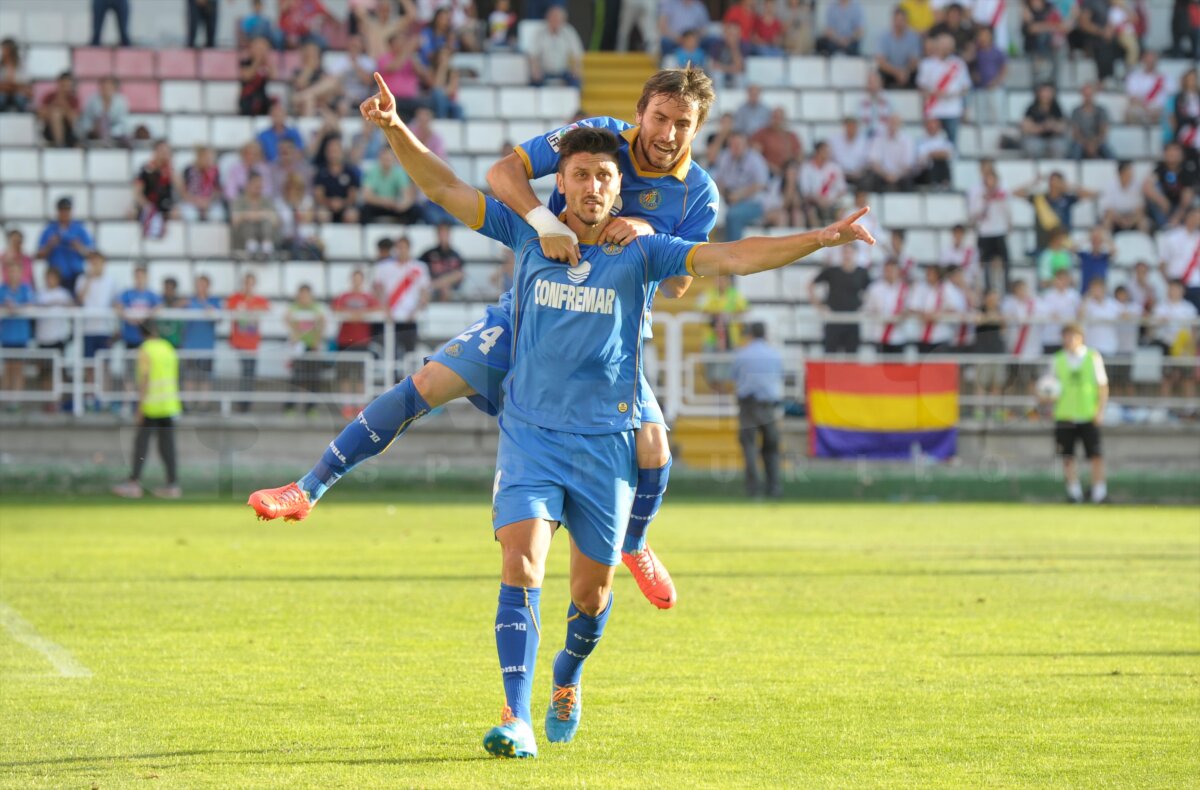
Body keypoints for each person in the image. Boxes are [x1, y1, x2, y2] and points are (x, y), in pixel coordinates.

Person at [324, 86, 872, 758]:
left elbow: (729, 258)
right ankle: (515, 716)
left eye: (682, 123)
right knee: (519, 559)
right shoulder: (541, 214)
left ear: (623, 187)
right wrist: (396, 128)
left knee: (596, 582)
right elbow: (456, 187)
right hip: (534, 416)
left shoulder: (669, 222)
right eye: (578, 175)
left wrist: (820, 238)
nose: (667, 132)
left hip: (607, 408)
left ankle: (574, 664)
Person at [249, 68, 725, 615]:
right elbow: (499, 174)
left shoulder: (699, 193)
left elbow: (680, 282)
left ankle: (634, 543)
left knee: (655, 447)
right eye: (660, 118)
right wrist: (544, 221)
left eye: (682, 124)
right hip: (530, 314)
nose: (668, 133)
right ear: (640, 113)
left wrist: (647, 231)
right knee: (428, 382)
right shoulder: (598, 138)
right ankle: (308, 489)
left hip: (605, 338)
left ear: (697, 129)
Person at [112, 321, 183, 500]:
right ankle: (173, 485)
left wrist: (140, 407)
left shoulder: (145, 350)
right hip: (169, 404)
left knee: (141, 444)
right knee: (167, 446)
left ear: (141, 334)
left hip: (152, 404)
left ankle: (134, 483)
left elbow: (145, 378)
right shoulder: (168, 347)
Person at [1041, 323, 1109, 504]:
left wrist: (1100, 411)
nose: (1069, 340)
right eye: (1066, 336)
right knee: (1067, 456)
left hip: (1088, 414)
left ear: (1081, 338)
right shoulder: (1057, 359)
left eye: (1073, 336)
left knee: (1095, 455)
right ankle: (1074, 492)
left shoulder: (1092, 356)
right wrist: (1045, 398)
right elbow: (1048, 388)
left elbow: (1102, 386)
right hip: (1065, 415)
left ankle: (1099, 493)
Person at [732, 322, 783, 499]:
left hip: (748, 404)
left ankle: (753, 489)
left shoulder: (742, 354)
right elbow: (779, 376)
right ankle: (774, 487)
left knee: (749, 447)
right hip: (768, 405)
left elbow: (735, 376)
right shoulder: (774, 355)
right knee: (771, 448)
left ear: (750, 334)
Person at [332, 269, 380, 419]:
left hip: (362, 341)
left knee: (360, 376)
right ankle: (347, 406)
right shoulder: (343, 296)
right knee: (345, 375)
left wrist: (359, 314)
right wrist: (355, 314)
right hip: (345, 340)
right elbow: (335, 308)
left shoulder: (368, 297)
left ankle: (360, 405)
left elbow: (378, 309)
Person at [75, 252, 120, 409]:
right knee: (89, 366)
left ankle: (105, 397)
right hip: (87, 330)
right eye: (92, 262)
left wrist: (116, 328)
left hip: (104, 330)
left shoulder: (111, 281)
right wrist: (89, 278)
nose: (95, 265)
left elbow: (115, 303)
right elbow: (80, 299)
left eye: (98, 262)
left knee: (105, 366)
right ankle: (89, 397)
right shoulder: (82, 279)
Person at [372, 236, 430, 356]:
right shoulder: (384, 267)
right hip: (390, 318)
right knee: (390, 354)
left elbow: (424, 293)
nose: (401, 250)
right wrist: (385, 309)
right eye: (399, 247)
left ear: (409, 249)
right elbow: (377, 290)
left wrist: (416, 311)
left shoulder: (419, 267)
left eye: (404, 247)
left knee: (409, 354)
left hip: (410, 318)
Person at [809, 245, 870, 353]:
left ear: (855, 254)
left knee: (852, 356)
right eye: (845, 252)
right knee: (830, 354)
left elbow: (873, 291)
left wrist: (866, 307)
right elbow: (811, 285)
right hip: (834, 318)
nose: (847, 255)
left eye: (850, 252)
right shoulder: (832, 271)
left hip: (853, 319)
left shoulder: (862, 272)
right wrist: (818, 305)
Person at [712, 132, 770, 241]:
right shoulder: (725, 156)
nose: (735, 148)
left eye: (738, 144)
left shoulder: (755, 159)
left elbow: (761, 184)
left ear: (746, 145)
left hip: (753, 201)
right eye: (732, 145)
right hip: (728, 199)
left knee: (733, 215)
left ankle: (732, 248)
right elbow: (718, 180)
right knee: (708, 209)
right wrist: (725, 195)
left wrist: (740, 195)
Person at [227, 272, 270, 413]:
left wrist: (248, 309)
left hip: (252, 343)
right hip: (239, 342)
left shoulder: (259, 299)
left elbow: (266, 309)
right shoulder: (235, 298)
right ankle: (242, 402)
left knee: (250, 373)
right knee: (245, 372)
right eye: (246, 283)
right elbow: (230, 309)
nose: (248, 286)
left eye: (251, 283)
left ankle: (246, 402)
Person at [916, 34, 970, 145]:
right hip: (933, 111)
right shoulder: (927, 64)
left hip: (953, 111)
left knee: (952, 144)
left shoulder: (959, 64)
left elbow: (966, 88)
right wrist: (933, 93)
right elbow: (921, 87)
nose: (946, 48)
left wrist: (952, 94)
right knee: (931, 143)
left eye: (949, 45)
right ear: (937, 45)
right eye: (944, 44)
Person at [1151, 280, 1199, 403]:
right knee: (1167, 378)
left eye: (1176, 288)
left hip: (1185, 348)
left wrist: (1189, 347)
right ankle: (1165, 406)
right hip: (1167, 345)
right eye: (1171, 288)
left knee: (1187, 379)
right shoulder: (1161, 307)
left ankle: (1189, 408)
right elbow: (1152, 328)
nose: (1174, 291)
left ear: (1182, 290)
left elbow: (1193, 330)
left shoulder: (1189, 308)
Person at [34, 268, 74, 410]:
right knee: (45, 372)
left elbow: (72, 307)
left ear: (58, 279)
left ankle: (59, 400)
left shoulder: (64, 294)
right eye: (48, 277)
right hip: (43, 338)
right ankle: (48, 401)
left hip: (58, 338)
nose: (50, 280)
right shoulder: (40, 294)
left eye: (53, 277)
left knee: (59, 371)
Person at [285, 284, 326, 417]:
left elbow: (322, 322)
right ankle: (290, 407)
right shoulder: (294, 307)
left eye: (306, 294)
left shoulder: (315, 308)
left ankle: (311, 408)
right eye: (302, 294)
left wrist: (317, 340)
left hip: (312, 347)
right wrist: (295, 333)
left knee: (313, 378)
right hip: (299, 347)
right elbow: (286, 318)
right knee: (296, 378)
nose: (304, 297)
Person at [180, 274, 220, 409]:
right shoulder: (188, 301)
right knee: (189, 377)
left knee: (205, 377)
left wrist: (204, 303)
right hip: (190, 346)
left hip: (207, 347)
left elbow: (219, 318)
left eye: (203, 285)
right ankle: (188, 404)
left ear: (208, 286)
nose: (200, 288)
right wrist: (181, 305)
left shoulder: (214, 301)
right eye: (198, 285)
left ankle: (203, 405)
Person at [0, 261, 34, 408]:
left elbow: (31, 304)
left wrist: (17, 308)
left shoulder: (26, 289)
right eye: (11, 271)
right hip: (6, 335)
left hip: (21, 335)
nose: (13, 274)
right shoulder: (2, 289)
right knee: (8, 368)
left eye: (16, 271)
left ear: (21, 273)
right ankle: (5, 400)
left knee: (18, 368)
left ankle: (16, 401)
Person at [1144, 142, 1198, 230]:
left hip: (1180, 208)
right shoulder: (1160, 168)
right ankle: (1163, 227)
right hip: (1164, 206)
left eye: (1175, 151)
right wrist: (1162, 201)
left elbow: (1186, 199)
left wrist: (1177, 217)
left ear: (1181, 154)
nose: (1172, 154)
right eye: (1169, 151)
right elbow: (1147, 186)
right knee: (1154, 189)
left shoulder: (1187, 170)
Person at [133, 139, 179, 238]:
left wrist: (170, 169)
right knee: (135, 213)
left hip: (165, 206)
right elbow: (137, 192)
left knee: (177, 214)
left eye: (166, 151)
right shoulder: (145, 169)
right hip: (148, 204)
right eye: (161, 151)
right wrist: (146, 205)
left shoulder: (171, 171)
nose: (164, 154)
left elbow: (180, 190)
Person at [1157, 207, 1200, 312]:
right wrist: (1169, 283)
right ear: (1187, 217)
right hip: (1175, 283)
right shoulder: (1172, 237)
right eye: (1194, 216)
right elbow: (1162, 263)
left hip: (1195, 285)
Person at [529, 5, 583, 87]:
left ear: (563, 20)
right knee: (534, 82)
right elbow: (533, 55)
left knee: (576, 80)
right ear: (547, 19)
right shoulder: (539, 33)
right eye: (552, 18)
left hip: (563, 72)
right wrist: (535, 70)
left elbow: (577, 54)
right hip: (544, 72)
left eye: (557, 19)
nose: (555, 21)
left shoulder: (569, 32)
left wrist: (576, 69)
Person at [864, 258, 909, 353]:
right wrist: (878, 315)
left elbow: (910, 308)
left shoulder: (904, 288)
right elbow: (867, 309)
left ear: (898, 271)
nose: (890, 273)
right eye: (888, 270)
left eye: (893, 270)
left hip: (898, 336)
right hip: (879, 335)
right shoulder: (874, 288)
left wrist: (904, 314)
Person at [799, 141, 846, 226]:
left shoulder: (835, 168)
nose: (827, 154)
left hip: (832, 202)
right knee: (810, 211)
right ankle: (817, 233)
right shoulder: (806, 168)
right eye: (825, 151)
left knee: (842, 211)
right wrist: (818, 199)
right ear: (817, 152)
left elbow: (842, 190)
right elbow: (805, 192)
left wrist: (831, 199)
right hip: (813, 203)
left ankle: (838, 233)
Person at [866, 114, 915, 193]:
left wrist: (896, 176)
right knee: (871, 178)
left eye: (895, 123)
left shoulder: (907, 140)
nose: (893, 125)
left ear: (900, 125)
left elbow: (908, 165)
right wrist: (885, 175)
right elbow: (874, 162)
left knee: (908, 180)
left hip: (901, 175)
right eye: (891, 122)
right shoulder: (878, 139)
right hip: (882, 174)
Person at [117, 266, 161, 354]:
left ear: (146, 278)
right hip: (130, 336)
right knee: (130, 360)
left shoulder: (151, 294)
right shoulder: (127, 293)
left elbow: (159, 307)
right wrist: (128, 318)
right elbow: (118, 306)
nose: (139, 279)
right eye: (137, 276)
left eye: (141, 276)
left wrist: (144, 319)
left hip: (146, 338)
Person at [968, 25, 1007, 125]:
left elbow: (1004, 68)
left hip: (994, 88)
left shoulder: (997, 51)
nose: (983, 38)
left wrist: (997, 81)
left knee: (997, 115)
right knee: (981, 116)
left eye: (985, 35)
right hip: (979, 88)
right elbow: (969, 65)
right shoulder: (976, 52)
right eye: (981, 35)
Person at [876, 7, 922, 89]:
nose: (898, 23)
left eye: (901, 20)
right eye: (896, 20)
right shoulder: (884, 37)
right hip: (889, 71)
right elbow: (881, 61)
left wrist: (905, 71)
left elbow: (914, 61)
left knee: (918, 75)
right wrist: (897, 72)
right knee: (878, 75)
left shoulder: (913, 37)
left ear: (906, 22)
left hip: (907, 71)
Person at [78, 76, 130, 148]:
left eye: (109, 87)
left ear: (114, 88)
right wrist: (93, 129)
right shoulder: (92, 100)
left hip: (115, 135)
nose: (106, 89)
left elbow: (123, 123)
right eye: (104, 87)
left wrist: (109, 131)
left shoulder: (121, 101)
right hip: (94, 133)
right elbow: (86, 119)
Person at [1021, 82, 1069, 159]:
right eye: (1044, 92)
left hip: (1053, 138)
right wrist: (1041, 127)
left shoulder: (1056, 108)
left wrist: (1053, 126)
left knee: (1060, 146)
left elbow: (1063, 126)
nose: (1046, 95)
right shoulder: (1032, 108)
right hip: (1036, 138)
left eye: (1049, 92)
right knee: (1032, 147)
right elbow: (1026, 128)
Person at [419, 224, 466, 302]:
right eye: (441, 233)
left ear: (449, 235)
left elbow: (460, 275)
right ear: (437, 235)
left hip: (448, 288)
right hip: (431, 287)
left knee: (447, 286)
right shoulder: (429, 253)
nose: (443, 236)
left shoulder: (455, 254)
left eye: (445, 233)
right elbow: (418, 267)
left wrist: (437, 284)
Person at [180, 145, 226, 222]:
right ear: (199, 157)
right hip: (192, 201)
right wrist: (196, 201)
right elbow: (184, 191)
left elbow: (217, 190)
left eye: (210, 158)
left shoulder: (215, 170)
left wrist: (208, 201)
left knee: (217, 215)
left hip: (209, 202)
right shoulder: (188, 170)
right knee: (190, 215)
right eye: (206, 158)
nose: (208, 161)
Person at [1068, 82, 1113, 160]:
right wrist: (1086, 144)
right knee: (1076, 150)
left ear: (1094, 95)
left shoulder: (1101, 111)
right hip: (1081, 142)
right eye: (1086, 95)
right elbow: (1075, 133)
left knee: (1109, 153)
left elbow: (1103, 131)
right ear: (1082, 95)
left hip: (1097, 142)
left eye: (1090, 95)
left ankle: (1116, 166)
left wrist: (1094, 143)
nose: (1088, 97)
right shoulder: (1076, 111)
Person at [1101, 160, 1149, 232]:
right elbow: (1108, 209)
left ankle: (1143, 238)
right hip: (1116, 217)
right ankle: (1107, 237)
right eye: (1128, 173)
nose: (1131, 175)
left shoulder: (1136, 186)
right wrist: (1120, 220)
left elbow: (1140, 208)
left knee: (1143, 221)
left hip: (1132, 216)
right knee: (1107, 219)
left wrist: (1131, 220)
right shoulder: (1110, 186)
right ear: (1121, 173)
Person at [1040, 269, 1081, 353]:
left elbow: (1078, 313)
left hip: (1069, 339)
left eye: (1064, 279)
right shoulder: (1047, 295)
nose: (1062, 282)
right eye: (1060, 279)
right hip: (1051, 337)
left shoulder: (1074, 295)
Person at [1124, 51, 1170, 125]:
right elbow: (1133, 98)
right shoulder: (1134, 77)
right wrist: (1145, 108)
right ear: (1143, 61)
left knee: (1166, 113)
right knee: (1133, 111)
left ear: (1156, 62)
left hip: (1158, 110)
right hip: (1140, 108)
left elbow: (1170, 97)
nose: (1150, 63)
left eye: (1152, 61)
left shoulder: (1164, 78)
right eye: (1148, 60)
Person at [1079, 277, 1121, 359]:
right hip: (1091, 346)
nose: (1096, 291)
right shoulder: (1087, 303)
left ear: (1104, 289)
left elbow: (1125, 314)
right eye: (1094, 288)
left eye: (1098, 288)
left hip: (1109, 346)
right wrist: (1086, 298)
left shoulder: (1113, 303)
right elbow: (1080, 316)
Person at [38, 72, 80, 148]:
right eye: (63, 85)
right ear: (59, 84)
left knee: (58, 113)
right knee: (56, 113)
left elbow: (74, 122)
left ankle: (61, 144)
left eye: (68, 85)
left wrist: (65, 106)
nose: (65, 88)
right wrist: (53, 106)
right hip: (50, 130)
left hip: (69, 132)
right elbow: (41, 116)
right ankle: (59, 144)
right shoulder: (50, 97)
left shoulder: (74, 99)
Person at [238, 35, 275, 117]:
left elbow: (273, 76)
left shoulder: (266, 64)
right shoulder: (245, 62)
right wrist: (257, 61)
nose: (260, 51)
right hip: (248, 97)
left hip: (262, 96)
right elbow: (246, 77)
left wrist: (267, 62)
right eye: (258, 48)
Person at [828, 116, 868, 188]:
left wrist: (859, 172)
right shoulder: (834, 140)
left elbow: (867, 160)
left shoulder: (864, 141)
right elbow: (830, 159)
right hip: (839, 174)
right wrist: (841, 172)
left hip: (858, 174)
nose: (851, 129)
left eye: (853, 126)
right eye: (849, 126)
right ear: (844, 127)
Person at [0, 38, 32, 113]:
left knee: (19, 99)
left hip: (18, 94)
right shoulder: (1, 66)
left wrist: (9, 86)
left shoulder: (22, 66)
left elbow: (26, 86)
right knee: (1, 99)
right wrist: (15, 86)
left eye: (5, 49)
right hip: (4, 94)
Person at [1077, 227, 1113, 292]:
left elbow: (1114, 251)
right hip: (1086, 290)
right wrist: (1088, 238)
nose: (1096, 244)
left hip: (1100, 291)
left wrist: (1104, 239)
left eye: (1098, 242)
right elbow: (1072, 248)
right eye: (1094, 241)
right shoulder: (1085, 256)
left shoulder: (1104, 257)